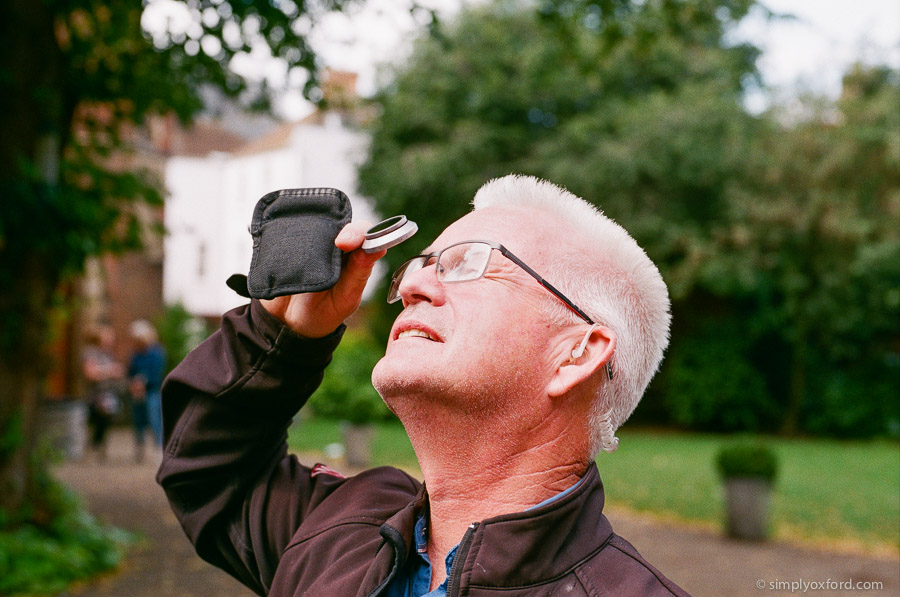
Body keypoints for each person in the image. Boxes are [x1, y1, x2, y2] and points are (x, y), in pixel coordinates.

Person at [157, 175, 688, 596]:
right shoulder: (340, 527)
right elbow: (210, 476)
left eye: (466, 263)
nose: (410, 284)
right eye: (419, 264)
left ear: (577, 354)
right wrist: (281, 334)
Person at [82, 325, 124, 461]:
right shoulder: (91, 352)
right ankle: (91, 448)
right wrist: (110, 371)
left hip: (109, 394)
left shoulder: (109, 354)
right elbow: (90, 373)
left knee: (105, 422)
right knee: (95, 421)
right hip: (95, 394)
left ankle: (100, 448)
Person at [128, 319, 166, 461]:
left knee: (154, 419)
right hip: (137, 393)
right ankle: (140, 448)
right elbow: (130, 371)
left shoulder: (157, 353)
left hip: (151, 391)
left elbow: (156, 373)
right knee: (138, 420)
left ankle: (159, 447)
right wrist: (133, 383)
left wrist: (143, 382)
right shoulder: (135, 354)